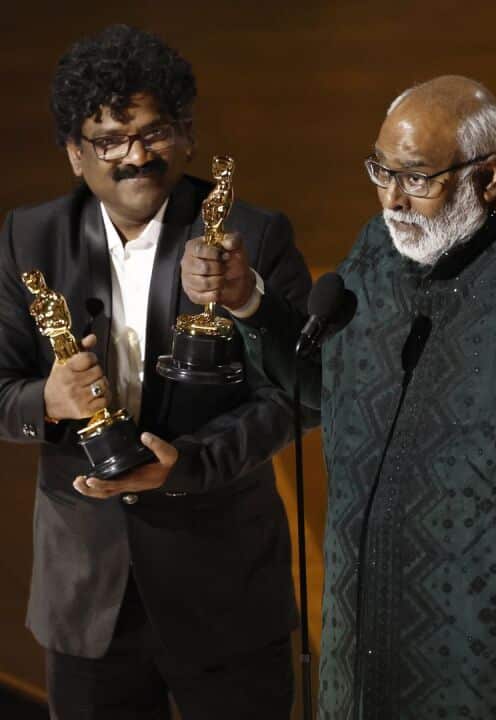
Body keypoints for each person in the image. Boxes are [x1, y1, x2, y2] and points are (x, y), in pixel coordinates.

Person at [181, 76, 496, 717]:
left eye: (418, 178)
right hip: (377, 645)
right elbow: (332, 388)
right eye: (382, 171)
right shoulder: (379, 250)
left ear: (488, 176)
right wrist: (249, 303)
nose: (393, 199)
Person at [0, 25, 310, 718]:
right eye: (110, 141)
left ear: (186, 136)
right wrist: (46, 398)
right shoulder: (29, 237)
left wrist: (190, 465)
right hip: (87, 599)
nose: (136, 156)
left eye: (153, 133)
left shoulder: (253, 235)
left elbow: (300, 395)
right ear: (76, 153)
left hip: (226, 591)